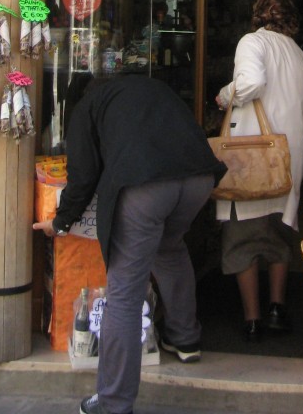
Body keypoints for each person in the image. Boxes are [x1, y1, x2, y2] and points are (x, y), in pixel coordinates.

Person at [33, 73, 226, 414]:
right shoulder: (150, 87)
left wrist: (60, 222)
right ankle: (185, 338)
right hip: (199, 179)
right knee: (170, 247)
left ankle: (113, 402)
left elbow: (83, 175)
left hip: (146, 187)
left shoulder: (86, 106)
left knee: (124, 291)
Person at [215, 0, 303, 342]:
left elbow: (251, 83)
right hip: (286, 158)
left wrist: (224, 95)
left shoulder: (252, 42)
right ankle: (277, 307)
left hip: (250, 154)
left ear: (257, 15)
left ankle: (252, 318)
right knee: (280, 235)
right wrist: (302, 147)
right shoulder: (299, 55)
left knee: (242, 236)